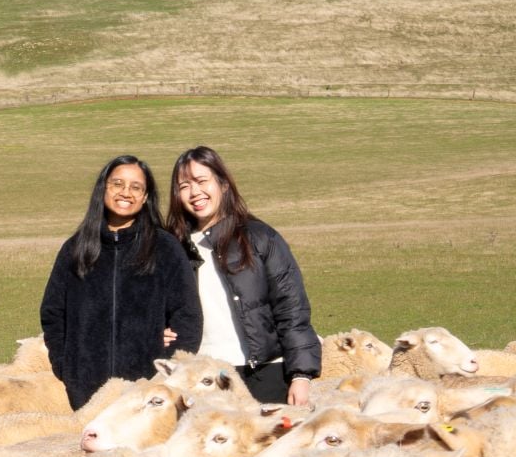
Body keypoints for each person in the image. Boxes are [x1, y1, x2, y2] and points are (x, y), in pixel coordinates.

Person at [39, 155, 204, 412]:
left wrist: (168, 370)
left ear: (145, 196)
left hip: (147, 397)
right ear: (103, 188)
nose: (126, 192)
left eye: (136, 187)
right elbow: (53, 313)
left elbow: (188, 316)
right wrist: (66, 365)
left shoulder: (165, 248)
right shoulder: (76, 248)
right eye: (117, 184)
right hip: (86, 394)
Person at [165, 145, 321, 406]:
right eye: (184, 186)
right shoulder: (172, 247)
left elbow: (292, 310)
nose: (195, 193)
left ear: (223, 184)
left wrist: (301, 375)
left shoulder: (260, 238)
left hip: (265, 373)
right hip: (203, 378)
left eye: (202, 181)